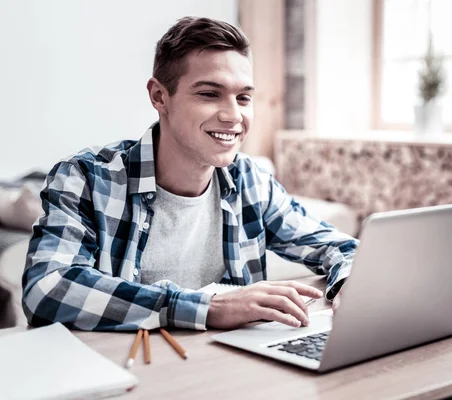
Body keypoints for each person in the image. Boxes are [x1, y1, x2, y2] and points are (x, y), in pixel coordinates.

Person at [22, 17, 357, 331]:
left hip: (227, 369)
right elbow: (47, 288)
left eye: (243, 97)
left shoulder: (249, 181)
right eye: (209, 94)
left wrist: (349, 282)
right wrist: (208, 308)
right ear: (159, 96)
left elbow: (340, 247)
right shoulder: (87, 177)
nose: (233, 116)